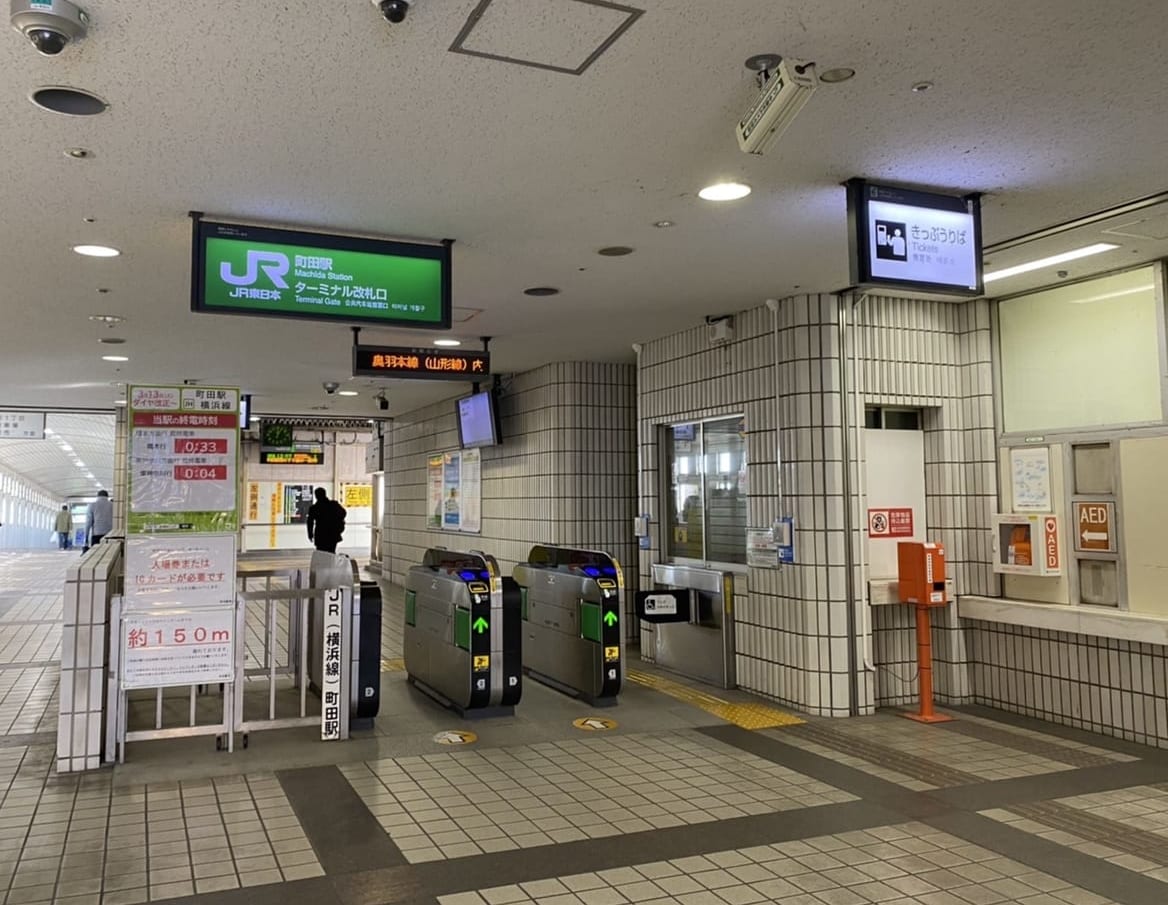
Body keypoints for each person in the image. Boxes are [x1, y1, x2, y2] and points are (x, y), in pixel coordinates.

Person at [306, 487, 346, 554]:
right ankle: (331, 564)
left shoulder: (314, 508)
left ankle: (324, 564)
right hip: (333, 534)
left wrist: (310, 534)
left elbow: (310, 522)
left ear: (316, 496)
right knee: (331, 553)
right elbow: (343, 513)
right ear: (325, 494)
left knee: (321, 554)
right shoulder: (333, 504)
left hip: (320, 535)